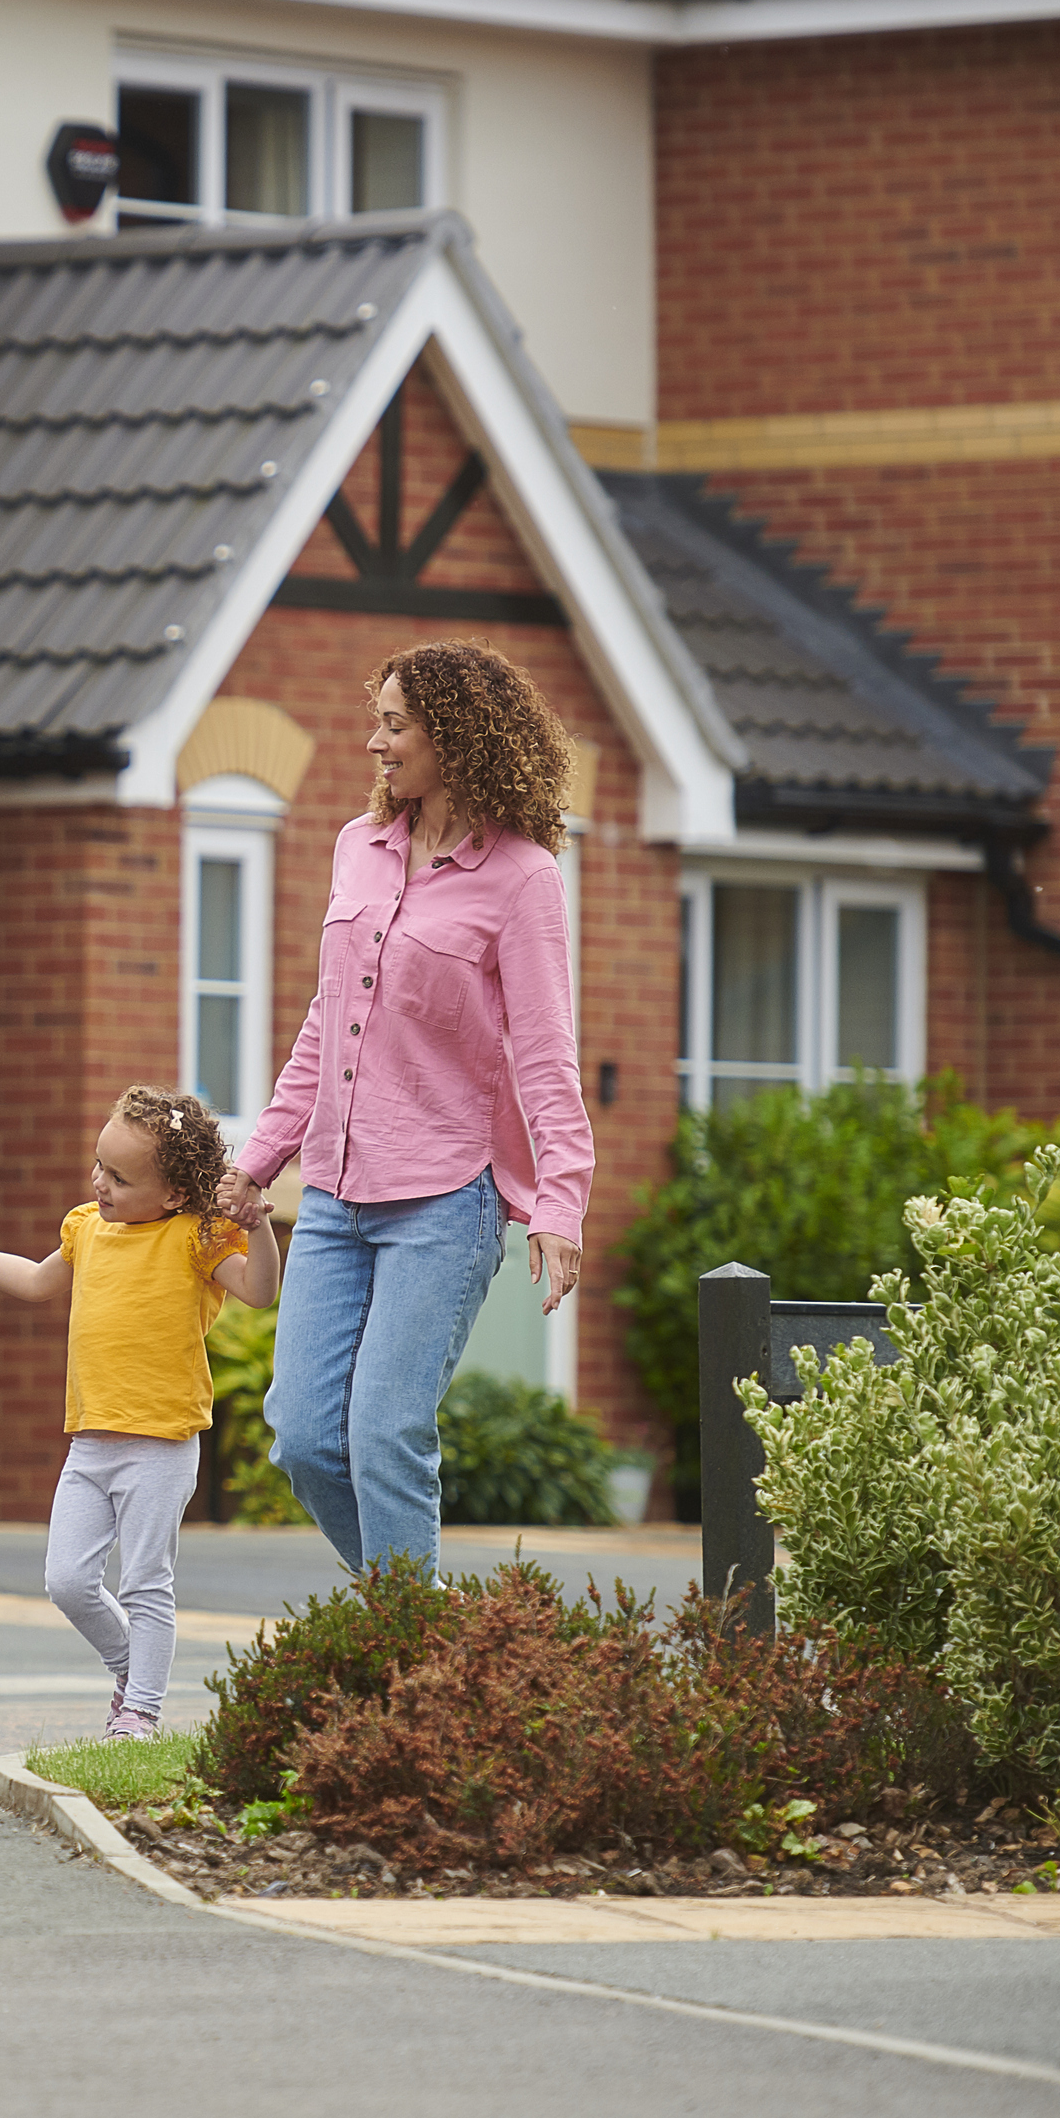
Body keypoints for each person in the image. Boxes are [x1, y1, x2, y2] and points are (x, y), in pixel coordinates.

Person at [220, 640, 593, 1579]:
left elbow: (548, 1057)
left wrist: (559, 1204)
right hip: (337, 1191)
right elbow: (326, 1022)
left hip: (444, 1196)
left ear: (455, 739)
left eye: (395, 725)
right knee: (304, 1437)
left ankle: (409, 1657)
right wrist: (259, 1161)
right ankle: (428, 1632)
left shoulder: (522, 879)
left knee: (385, 1434)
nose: (375, 743)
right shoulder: (360, 846)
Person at [0, 1086, 280, 1741]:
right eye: (99, 1165)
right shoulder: (86, 1229)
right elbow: (33, 1280)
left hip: (160, 1445)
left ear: (169, 1195)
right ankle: (134, 1670)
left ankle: (141, 1712)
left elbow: (261, 1290)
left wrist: (260, 1229)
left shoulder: (196, 1237)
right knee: (67, 1581)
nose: (100, 1182)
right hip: (91, 1443)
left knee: (144, 1582)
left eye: (120, 1177)